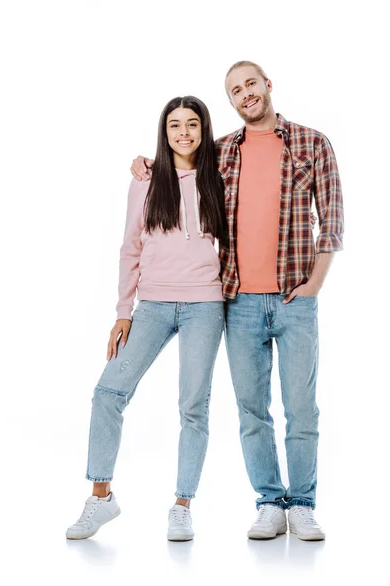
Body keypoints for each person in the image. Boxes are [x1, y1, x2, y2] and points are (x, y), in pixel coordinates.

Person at [131, 61, 344, 541]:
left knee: (302, 408)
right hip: (238, 302)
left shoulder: (313, 143)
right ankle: (269, 502)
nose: (244, 94)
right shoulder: (222, 151)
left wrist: (314, 285)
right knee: (252, 410)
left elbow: (332, 223)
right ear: (230, 101)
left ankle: (304, 503)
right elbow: (178, 163)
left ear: (268, 86)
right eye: (234, 90)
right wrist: (143, 164)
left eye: (250, 84)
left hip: (295, 298)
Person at [66, 96, 227, 542]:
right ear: (165, 130)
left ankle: (182, 505)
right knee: (108, 392)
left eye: (192, 124)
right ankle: (101, 497)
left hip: (205, 306)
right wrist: (123, 312)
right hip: (152, 305)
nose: (183, 133)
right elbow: (130, 247)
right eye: (175, 125)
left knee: (193, 407)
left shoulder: (220, 175)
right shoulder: (146, 179)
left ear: (203, 129)